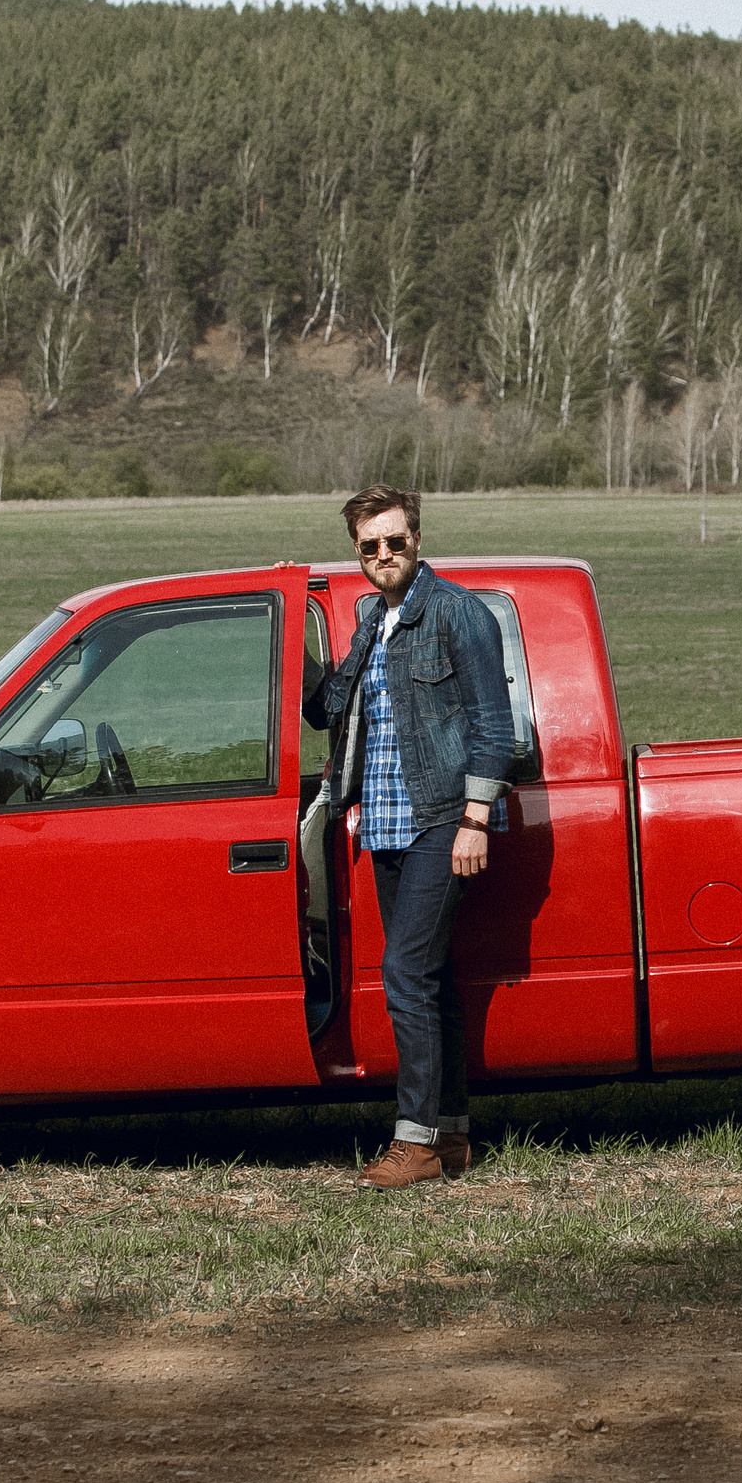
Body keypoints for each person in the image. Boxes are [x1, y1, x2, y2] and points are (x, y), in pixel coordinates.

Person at [303, 485, 516, 1190]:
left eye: (395, 541)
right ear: (358, 553)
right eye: (370, 546)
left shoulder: (459, 612)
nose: (384, 555)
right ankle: (451, 1134)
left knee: (403, 975)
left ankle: (415, 1142)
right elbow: (324, 707)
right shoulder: (371, 621)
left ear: (417, 539)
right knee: (428, 978)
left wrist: (474, 818)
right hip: (387, 823)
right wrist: (292, 615)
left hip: (439, 819)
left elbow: (495, 724)